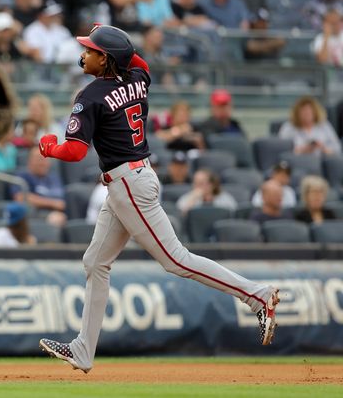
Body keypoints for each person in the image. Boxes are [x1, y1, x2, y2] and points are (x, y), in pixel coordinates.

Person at [37, 24, 279, 373]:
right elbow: (141, 64)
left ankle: (257, 296)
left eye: (91, 49)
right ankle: (83, 350)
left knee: (176, 260)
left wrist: (48, 148)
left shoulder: (90, 96)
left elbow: (74, 152)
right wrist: (118, 46)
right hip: (133, 180)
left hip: (129, 185)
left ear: (106, 60)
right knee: (95, 262)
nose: (84, 53)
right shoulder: (137, 78)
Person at [13, 148, 67, 227]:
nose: (43, 163)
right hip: (39, 214)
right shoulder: (23, 176)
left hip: (63, 212)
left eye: (46, 159)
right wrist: (53, 203)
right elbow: (20, 197)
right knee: (56, 218)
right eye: (39, 159)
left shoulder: (54, 178)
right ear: (30, 161)